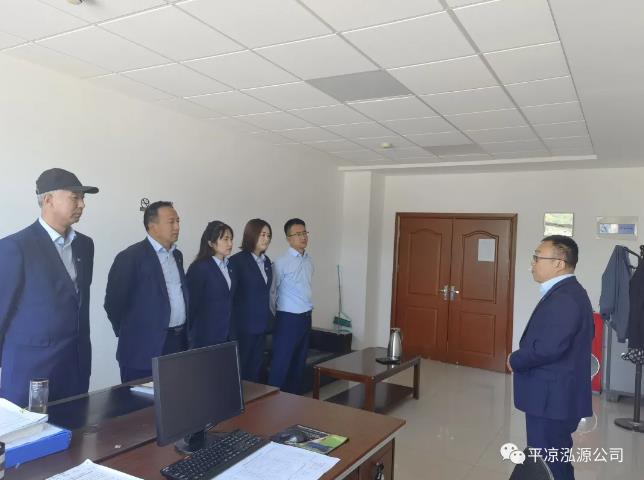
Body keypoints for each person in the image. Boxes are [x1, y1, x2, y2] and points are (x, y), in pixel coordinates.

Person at [0, 168, 98, 406]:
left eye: (83, 198)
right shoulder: (15, 247)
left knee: (75, 426)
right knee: (31, 430)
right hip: (30, 372)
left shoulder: (85, 246)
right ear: (48, 199)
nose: (82, 204)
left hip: (75, 369)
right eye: (75, 197)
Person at [507, 235, 593, 480]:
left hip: (552, 399)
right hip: (556, 396)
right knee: (555, 461)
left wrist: (514, 359)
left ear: (558, 263)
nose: (532, 264)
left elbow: (548, 348)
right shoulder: (568, 292)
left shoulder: (565, 298)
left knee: (548, 465)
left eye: (537, 257)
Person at [104, 201, 188, 383]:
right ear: (153, 226)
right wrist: (132, 333)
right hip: (141, 348)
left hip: (176, 343)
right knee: (140, 400)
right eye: (171, 222)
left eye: (178, 221)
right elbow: (113, 303)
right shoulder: (130, 257)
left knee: (175, 396)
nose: (177, 227)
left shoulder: (177, 255)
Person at [268, 218, 313, 394]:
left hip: (305, 317)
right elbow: (272, 293)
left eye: (305, 233)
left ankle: (293, 403)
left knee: (299, 364)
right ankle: (271, 403)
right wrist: (278, 316)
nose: (303, 237)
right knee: (281, 364)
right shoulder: (280, 263)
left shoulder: (309, 260)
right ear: (288, 238)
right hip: (287, 319)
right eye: (298, 234)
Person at [229, 219, 273, 382]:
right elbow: (232, 296)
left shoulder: (266, 261)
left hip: (261, 326)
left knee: (256, 370)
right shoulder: (237, 261)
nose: (266, 239)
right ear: (251, 235)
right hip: (243, 327)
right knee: (242, 370)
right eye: (262, 234)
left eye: (268, 235)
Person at [187, 221, 235, 348]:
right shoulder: (199, 268)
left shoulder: (230, 266)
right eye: (225, 239)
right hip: (205, 336)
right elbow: (191, 305)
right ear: (211, 243)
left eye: (231, 239)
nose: (230, 244)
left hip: (227, 334)